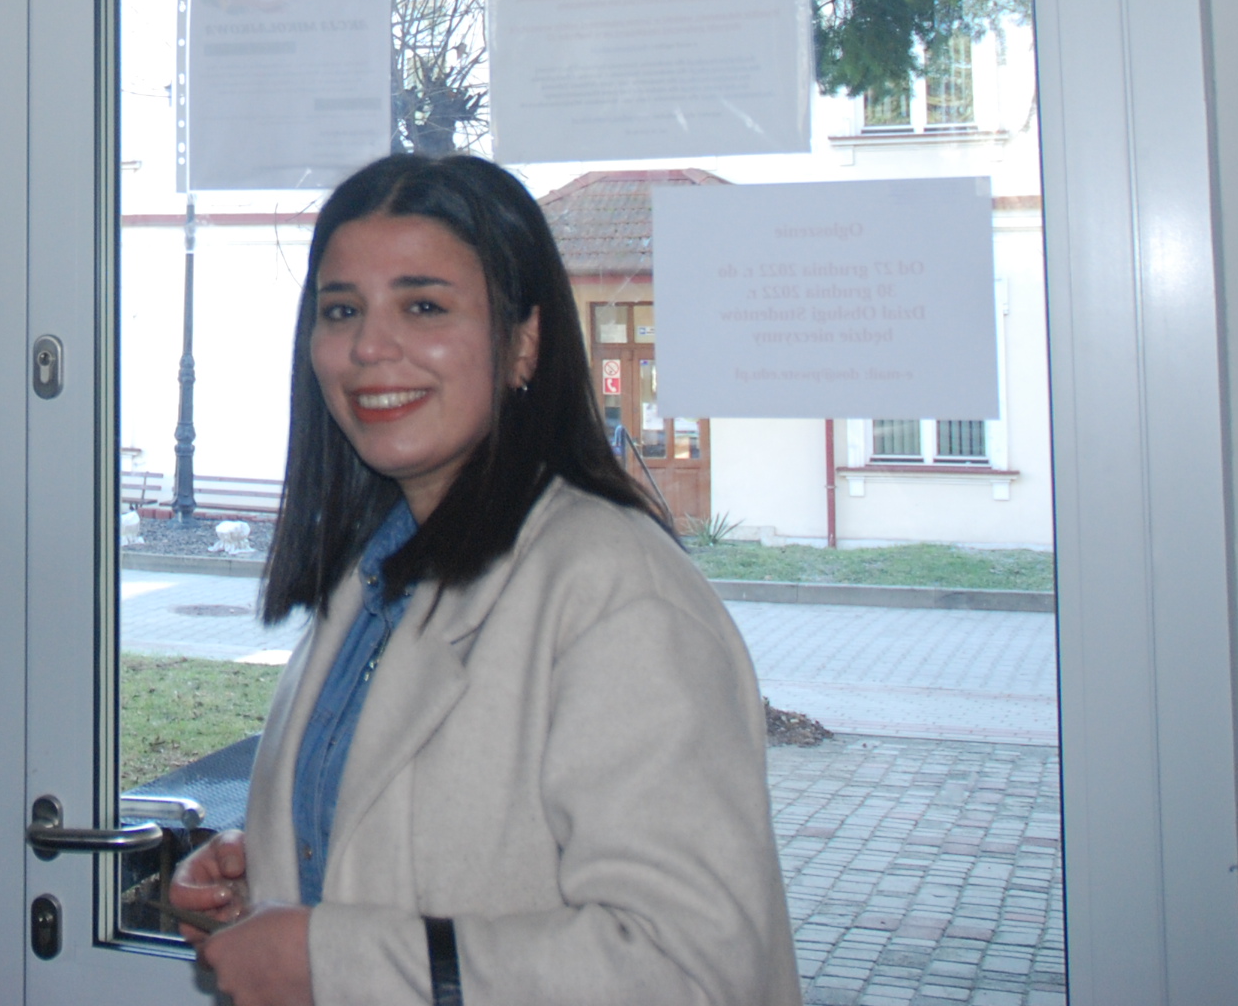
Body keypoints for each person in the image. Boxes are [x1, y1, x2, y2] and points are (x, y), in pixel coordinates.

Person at [166, 153, 797, 1004]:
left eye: (423, 306)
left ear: (523, 342)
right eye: (341, 309)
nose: (369, 347)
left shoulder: (618, 595)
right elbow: (446, 848)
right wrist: (275, 884)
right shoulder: (378, 577)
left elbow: (693, 969)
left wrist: (333, 960)